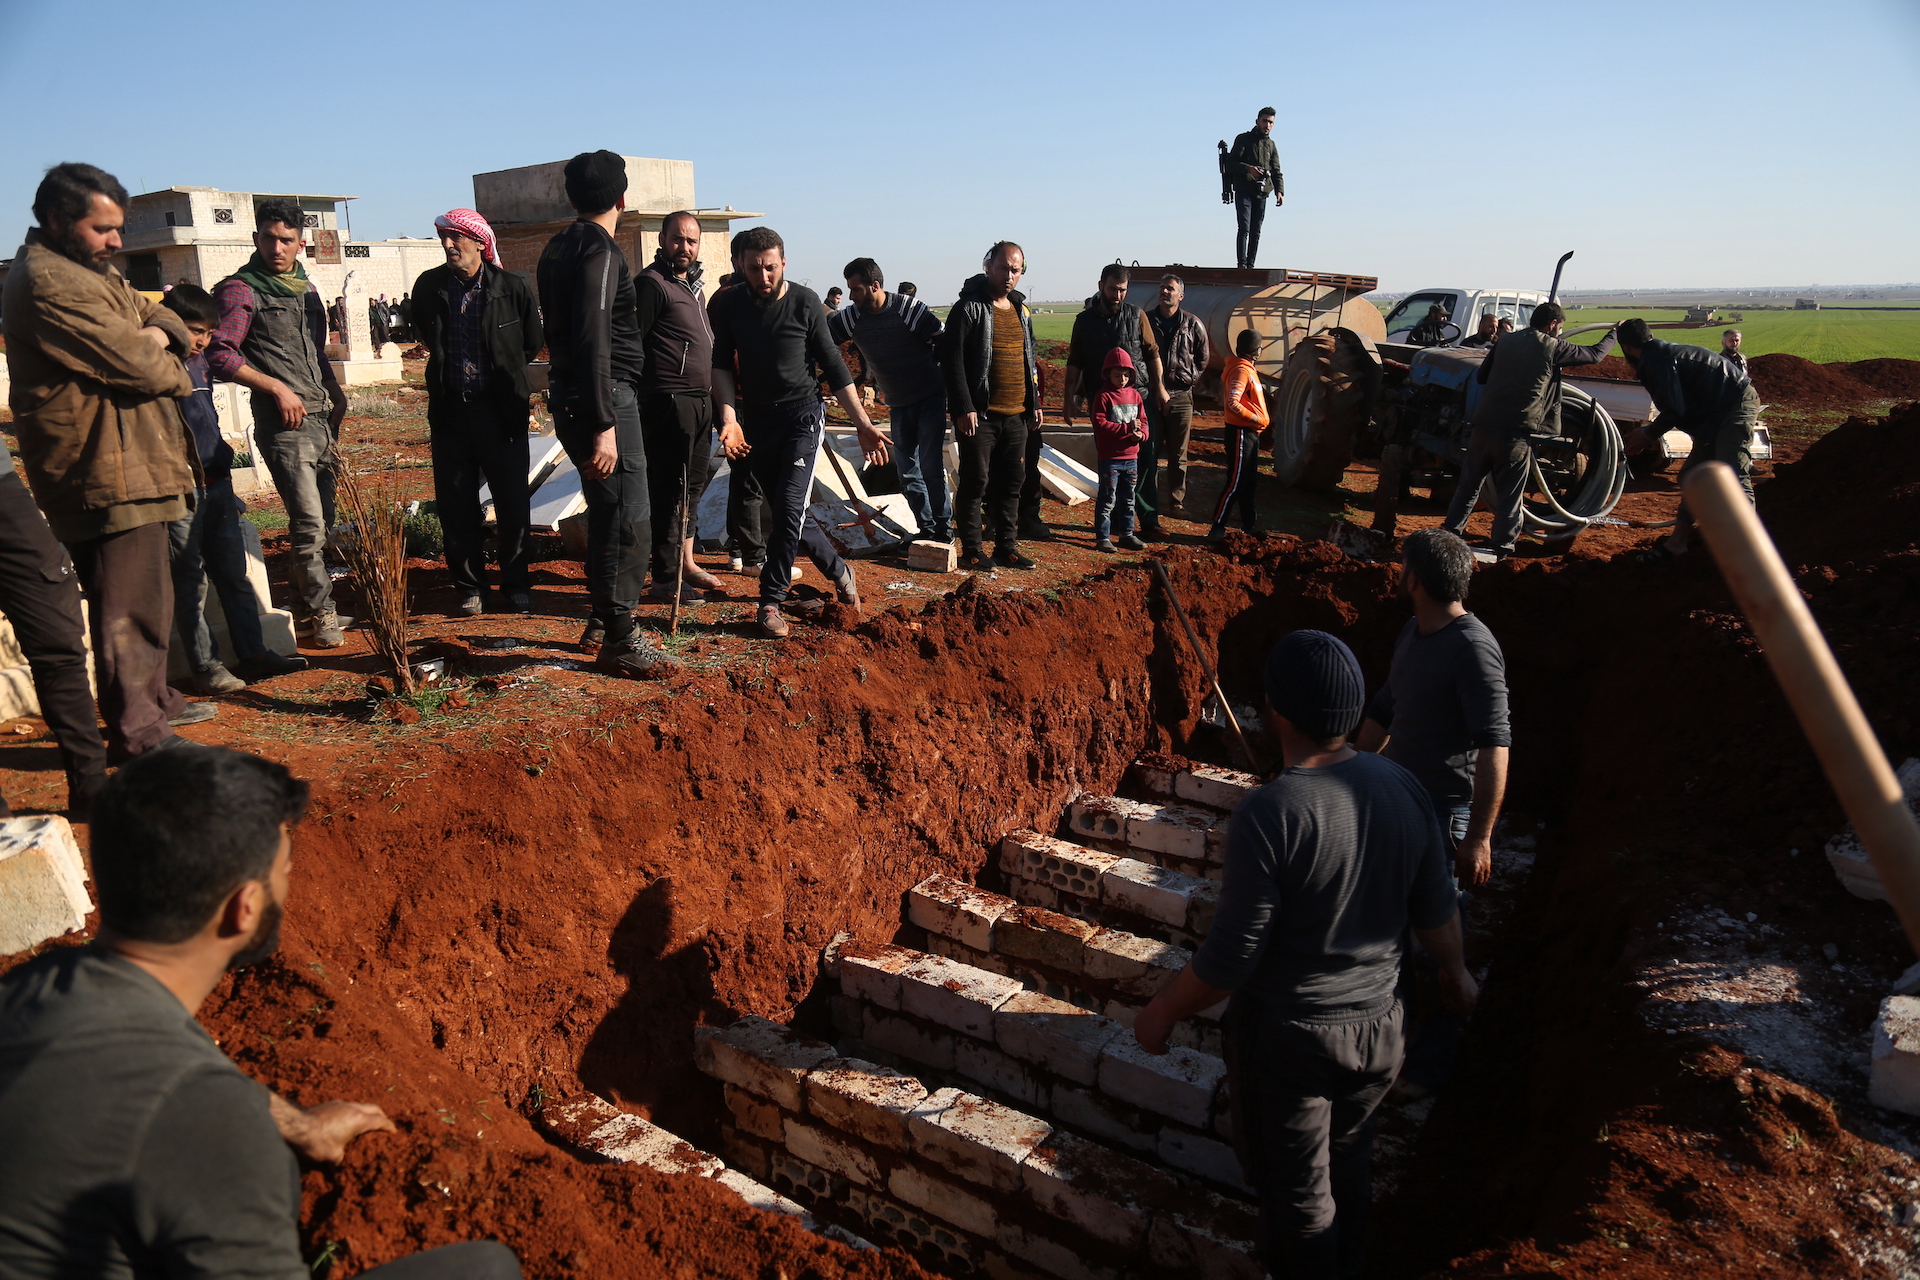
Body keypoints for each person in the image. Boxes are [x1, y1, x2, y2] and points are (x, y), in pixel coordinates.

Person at [0, 745, 524, 1280]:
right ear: (244, 907)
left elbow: (151, 1085)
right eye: (284, 869)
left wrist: (295, 1123)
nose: (290, 880)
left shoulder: (33, 986)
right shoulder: (210, 1122)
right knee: (487, 1268)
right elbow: (189, 1104)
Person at [1133, 629, 1474, 1280]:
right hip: (1380, 1034)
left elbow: (1233, 957)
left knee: (1297, 1207)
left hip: (1293, 1049)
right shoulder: (1404, 787)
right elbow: (1437, 913)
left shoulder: (1270, 813)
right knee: (1348, 1164)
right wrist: (1456, 973)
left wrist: (1163, 1010)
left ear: (1276, 712)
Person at [3, 162, 212, 761]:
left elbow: (164, 313)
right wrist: (158, 348)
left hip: (133, 458)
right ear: (56, 221)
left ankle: (153, 703)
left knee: (148, 596)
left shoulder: (92, 270)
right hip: (101, 466)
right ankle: (139, 732)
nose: (117, 241)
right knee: (127, 605)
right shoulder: (50, 282)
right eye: (103, 229)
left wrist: (154, 333)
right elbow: (145, 365)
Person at [1355, 527, 1509, 1095]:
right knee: (1393, 940)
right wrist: (1340, 768)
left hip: (1445, 818)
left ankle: (1431, 1066)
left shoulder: (1472, 647)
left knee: (1439, 948)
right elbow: (1387, 708)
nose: (1398, 575)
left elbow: (1495, 744)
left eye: (1401, 568)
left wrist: (1480, 838)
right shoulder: (1413, 632)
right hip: (1399, 806)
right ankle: (1393, 1049)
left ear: (1415, 579)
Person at [536, 150, 677, 678]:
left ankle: (603, 618)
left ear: (571, 198)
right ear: (622, 198)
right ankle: (620, 636)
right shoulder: (599, 250)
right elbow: (595, 338)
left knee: (607, 511)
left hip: (578, 395)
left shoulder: (557, 247)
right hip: (603, 399)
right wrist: (604, 425)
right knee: (628, 519)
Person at [710, 226, 888, 638]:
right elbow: (720, 364)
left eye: (770, 267)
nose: (763, 276)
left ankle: (770, 601)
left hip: (802, 418)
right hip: (755, 421)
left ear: (783, 264)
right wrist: (729, 418)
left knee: (788, 510)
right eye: (754, 268)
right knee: (796, 516)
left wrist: (862, 423)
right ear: (741, 266)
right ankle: (840, 572)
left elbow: (834, 367)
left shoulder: (806, 304)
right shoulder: (732, 304)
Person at [209, 198, 349, 648]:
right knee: (307, 521)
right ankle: (322, 613)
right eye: (268, 238)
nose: (276, 247)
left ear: (300, 244)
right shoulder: (240, 290)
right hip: (284, 422)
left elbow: (315, 351)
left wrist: (336, 398)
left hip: (321, 418)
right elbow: (219, 353)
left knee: (323, 521)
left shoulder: (304, 288)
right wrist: (274, 387)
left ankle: (306, 613)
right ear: (255, 239)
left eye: (286, 239)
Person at [161, 285, 309, 695]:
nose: (203, 340)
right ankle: (206, 668)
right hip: (179, 490)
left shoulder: (201, 363)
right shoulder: (153, 367)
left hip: (217, 485)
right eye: (194, 330)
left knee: (233, 573)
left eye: (209, 332)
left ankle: (254, 654)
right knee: (191, 582)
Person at [411, 207, 545, 616]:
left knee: (511, 502)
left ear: (480, 243)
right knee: (456, 503)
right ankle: (470, 587)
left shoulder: (511, 287)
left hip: (501, 413)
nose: (449, 245)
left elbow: (530, 342)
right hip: (452, 414)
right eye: (444, 238)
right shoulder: (429, 287)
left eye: (457, 238)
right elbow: (424, 334)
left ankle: (516, 584)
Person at [1440, 303, 1617, 559]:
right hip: (1515, 433)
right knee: (1510, 496)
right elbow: (1594, 355)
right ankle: (1502, 549)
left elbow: (1481, 378)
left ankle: (1448, 538)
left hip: (1482, 427)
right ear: (1553, 325)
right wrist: (1614, 334)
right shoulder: (1552, 346)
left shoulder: (1504, 341)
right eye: (1560, 328)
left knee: (1468, 488)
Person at [636, 211, 725, 603]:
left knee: (692, 487)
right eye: (677, 240)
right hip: (668, 401)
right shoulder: (651, 284)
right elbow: (633, 344)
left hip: (700, 400)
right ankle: (664, 579)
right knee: (670, 490)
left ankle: (685, 563)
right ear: (662, 240)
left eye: (691, 241)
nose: (684, 247)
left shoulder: (695, 286)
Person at [829, 257, 949, 548]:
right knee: (907, 471)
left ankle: (944, 529)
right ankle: (926, 528)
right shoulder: (852, 317)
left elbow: (943, 342)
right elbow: (825, 342)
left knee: (931, 466)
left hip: (930, 398)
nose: (852, 297)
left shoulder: (909, 310)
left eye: (856, 290)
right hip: (898, 403)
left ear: (875, 286)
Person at [1619, 317, 1760, 563]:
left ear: (1627, 347)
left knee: (1735, 474)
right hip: (1716, 411)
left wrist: (1648, 433)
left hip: (1735, 403)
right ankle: (1678, 543)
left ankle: (1746, 553)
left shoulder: (1656, 361)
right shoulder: (1658, 354)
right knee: (1691, 476)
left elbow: (1674, 409)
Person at [940, 242, 1044, 571]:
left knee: (1012, 481)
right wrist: (962, 406)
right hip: (979, 416)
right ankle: (971, 549)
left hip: (1016, 415)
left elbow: (1029, 360)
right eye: (1003, 268)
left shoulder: (1020, 310)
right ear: (988, 266)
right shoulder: (968, 308)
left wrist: (1034, 402)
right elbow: (951, 360)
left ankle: (1006, 548)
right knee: (975, 482)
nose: (1009, 275)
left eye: (1016, 270)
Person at [1064, 264, 1166, 539]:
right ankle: (1118, 525)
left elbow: (1152, 353)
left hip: (1137, 399)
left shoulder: (1137, 316)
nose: (1117, 295)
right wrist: (1069, 397)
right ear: (1100, 286)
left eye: (1122, 290)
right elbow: (1075, 361)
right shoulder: (1084, 322)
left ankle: (1148, 519)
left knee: (1144, 460)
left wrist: (1159, 388)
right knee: (1111, 466)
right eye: (1112, 289)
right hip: (1104, 403)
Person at [1146, 273, 1210, 512]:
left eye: (1170, 289)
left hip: (1181, 397)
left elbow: (1203, 357)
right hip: (1152, 396)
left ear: (1181, 296)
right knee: (1149, 450)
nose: (1165, 292)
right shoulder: (1147, 321)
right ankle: (1148, 499)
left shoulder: (1193, 324)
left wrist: (1188, 380)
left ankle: (1176, 500)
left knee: (1178, 454)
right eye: (1162, 287)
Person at [1209, 329, 1269, 543]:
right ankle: (1218, 526)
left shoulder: (1246, 369)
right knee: (1236, 482)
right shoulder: (1241, 371)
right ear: (1257, 350)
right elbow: (1233, 403)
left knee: (1249, 482)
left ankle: (1249, 525)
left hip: (1249, 433)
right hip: (1241, 432)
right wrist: (1255, 419)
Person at [1089, 348, 1148, 553]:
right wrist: (1127, 430)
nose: (1122, 379)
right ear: (1107, 374)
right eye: (1117, 375)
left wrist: (1142, 435)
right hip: (1111, 458)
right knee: (1107, 498)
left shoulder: (1135, 395)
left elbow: (1143, 422)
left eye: (1125, 374)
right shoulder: (1103, 396)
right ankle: (1103, 537)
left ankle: (1127, 534)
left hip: (1131, 457)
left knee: (1128, 498)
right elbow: (1100, 424)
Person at [1223, 107, 1285, 269]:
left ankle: (1251, 265)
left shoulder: (1271, 145)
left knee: (1256, 231)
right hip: (1244, 189)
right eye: (1265, 121)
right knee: (1244, 227)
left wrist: (1280, 191)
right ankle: (1242, 265)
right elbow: (1230, 164)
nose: (1267, 125)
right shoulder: (1243, 139)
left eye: (1271, 122)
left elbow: (1277, 170)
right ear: (1257, 121)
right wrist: (1248, 168)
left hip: (1262, 192)